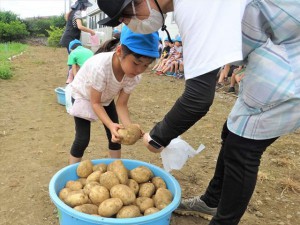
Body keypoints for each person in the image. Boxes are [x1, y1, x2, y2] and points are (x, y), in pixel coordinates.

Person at [97, 1, 300, 225]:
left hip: (291, 62)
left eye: (125, 15)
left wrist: (156, 138)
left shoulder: (195, 7)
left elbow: (197, 100)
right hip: (274, 52)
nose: (126, 23)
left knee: (243, 150)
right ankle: (212, 200)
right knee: (231, 133)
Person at [68, 26, 159, 164]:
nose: (139, 70)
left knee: (117, 134)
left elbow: (121, 105)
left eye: (145, 66)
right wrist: (111, 124)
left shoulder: (134, 76)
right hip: (83, 96)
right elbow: (95, 103)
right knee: (82, 139)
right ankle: (71, 170)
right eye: (136, 63)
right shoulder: (100, 68)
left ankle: (117, 166)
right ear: (119, 51)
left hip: (104, 97)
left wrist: (130, 128)